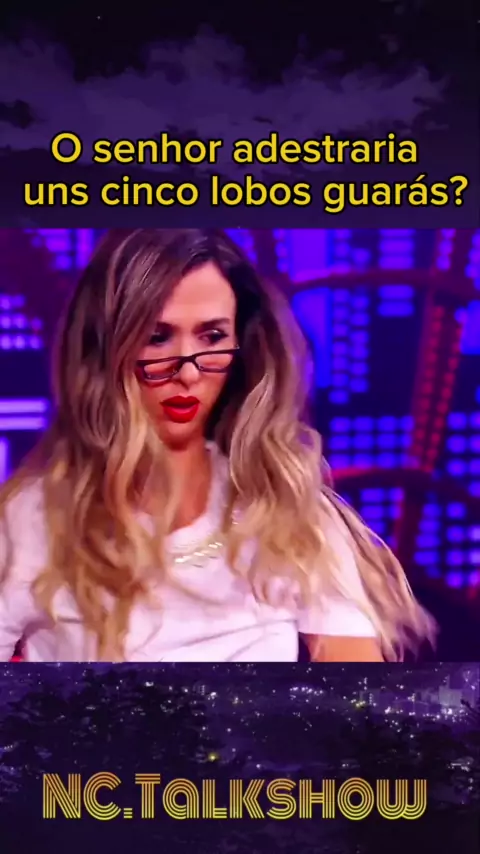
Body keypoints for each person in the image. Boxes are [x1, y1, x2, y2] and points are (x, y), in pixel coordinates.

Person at [0, 228, 435, 663]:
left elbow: (358, 693)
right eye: (157, 337)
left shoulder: (288, 511)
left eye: (211, 338)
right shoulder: (32, 520)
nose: (188, 373)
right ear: (103, 350)